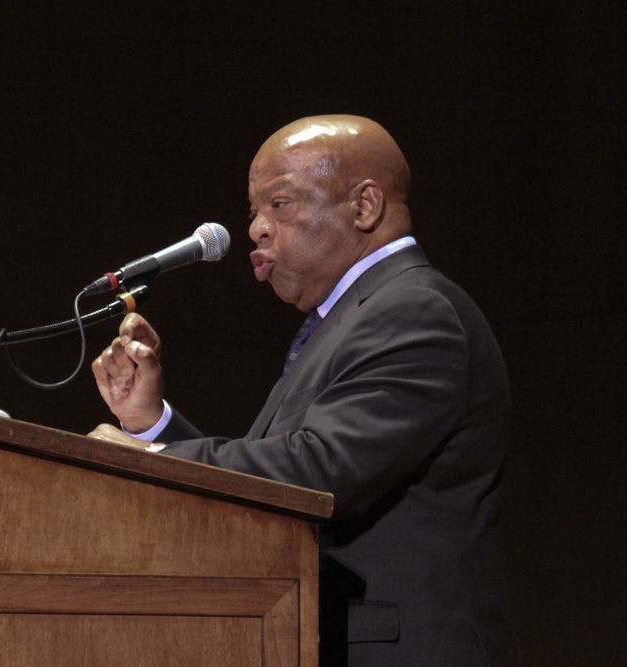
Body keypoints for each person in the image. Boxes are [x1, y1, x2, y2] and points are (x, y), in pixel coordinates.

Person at [89, 115, 520, 665]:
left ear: (365, 206)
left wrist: (150, 459)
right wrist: (150, 423)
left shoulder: (414, 311)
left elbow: (318, 470)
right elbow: (272, 489)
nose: (256, 229)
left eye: (280, 204)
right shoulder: (353, 316)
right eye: (253, 212)